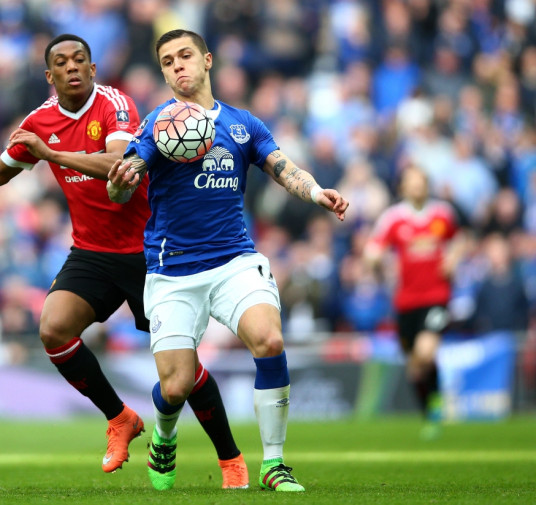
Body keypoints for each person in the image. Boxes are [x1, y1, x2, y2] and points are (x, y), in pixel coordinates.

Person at [0, 34, 248, 487]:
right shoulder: (39, 121)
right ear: (50, 76)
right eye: (61, 63)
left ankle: (229, 458)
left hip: (151, 251)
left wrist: (50, 154)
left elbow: (119, 164)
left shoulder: (115, 105)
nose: (72, 67)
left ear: (93, 67)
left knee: (180, 374)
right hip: (92, 251)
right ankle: (119, 417)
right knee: (53, 329)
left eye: (80, 59)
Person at [107, 29, 349, 492]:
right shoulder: (158, 126)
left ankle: (273, 464)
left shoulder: (242, 124)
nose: (177, 66)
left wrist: (317, 192)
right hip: (172, 269)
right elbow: (123, 185)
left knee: (270, 339)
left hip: (233, 260)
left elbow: (284, 167)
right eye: (167, 61)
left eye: (185, 56)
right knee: (175, 388)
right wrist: (119, 181)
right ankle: (164, 434)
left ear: (208, 60)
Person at [364, 165, 463, 439]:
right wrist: (374, 260)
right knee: (414, 368)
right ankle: (430, 412)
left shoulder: (443, 214)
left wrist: (453, 259)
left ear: (427, 185)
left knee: (425, 351)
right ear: (403, 187)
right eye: (412, 183)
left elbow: (459, 241)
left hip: (437, 297)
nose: (417, 187)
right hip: (406, 301)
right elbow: (373, 249)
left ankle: (436, 406)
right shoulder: (394, 218)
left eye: (421, 182)